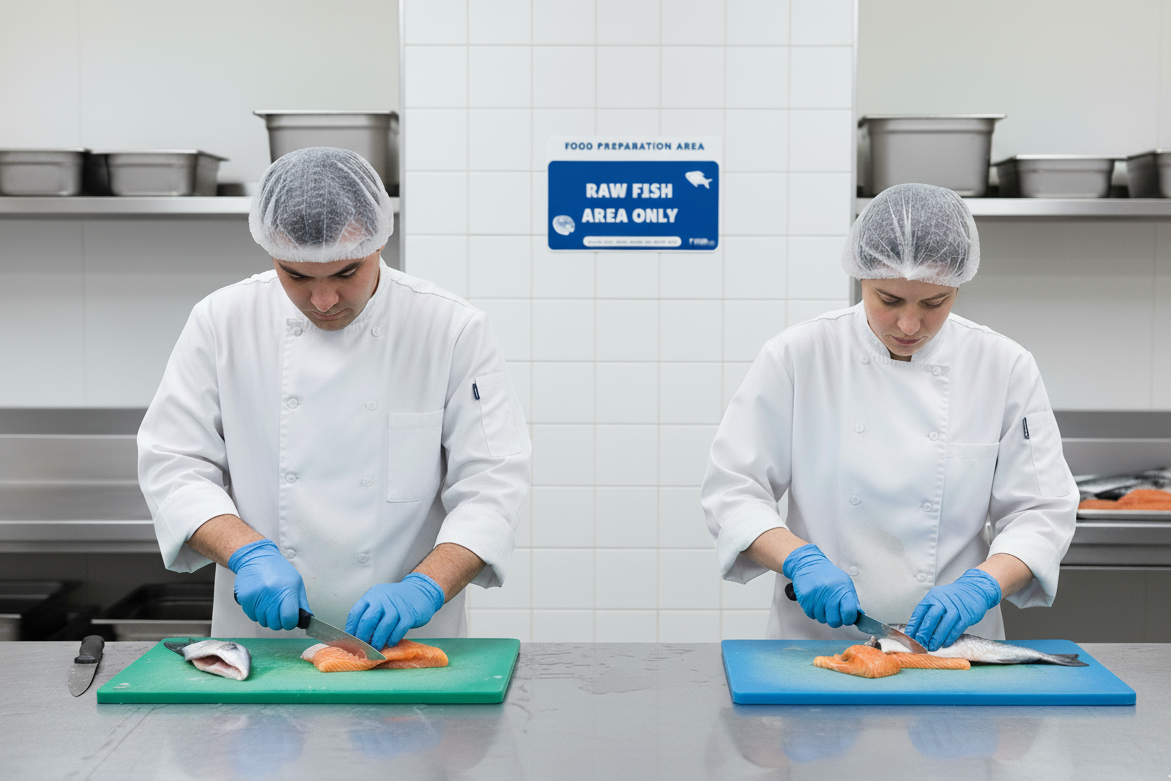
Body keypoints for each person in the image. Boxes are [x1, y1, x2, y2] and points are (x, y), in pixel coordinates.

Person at [138, 147, 531, 649]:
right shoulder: (222, 321)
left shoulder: (449, 328)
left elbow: (492, 484)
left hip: (409, 644)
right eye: (296, 276)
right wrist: (246, 553)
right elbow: (173, 465)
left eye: (346, 273)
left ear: (379, 244)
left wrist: (425, 587)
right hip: (263, 643)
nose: (322, 301)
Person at [700, 183, 1077, 650]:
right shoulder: (800, 355)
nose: (909, 325)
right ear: (861, 276)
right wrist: (798, 559)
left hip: (955, 647)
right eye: (889, 300)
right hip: (817, 645)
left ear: (958, 285)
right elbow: (733, 489)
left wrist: (981, 587)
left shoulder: (1002, 365)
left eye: (933, 303)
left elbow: (1041, 511)